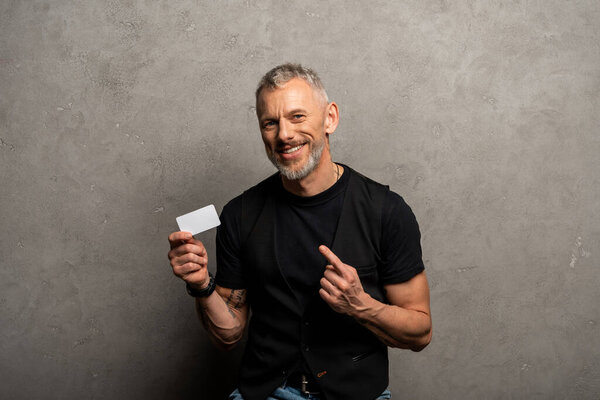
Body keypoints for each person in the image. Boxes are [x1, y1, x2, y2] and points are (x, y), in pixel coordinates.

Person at [168, 63, 432, 400]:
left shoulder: (387, 211)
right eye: (270, 123)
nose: (284, 135)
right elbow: (229, 335)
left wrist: (361, 305)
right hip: (267, 393)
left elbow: (420, 332)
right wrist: (201, 285)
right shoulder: (240, 214)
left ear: (329, 119)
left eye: (297, 117)